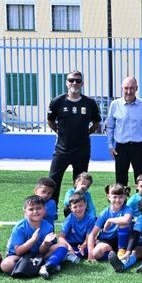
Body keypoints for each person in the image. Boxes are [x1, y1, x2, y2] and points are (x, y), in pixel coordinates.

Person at [47, 70, 101, 202]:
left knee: (80, 184)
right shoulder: (57, 102)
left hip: (81, 151)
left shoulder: (90, 103)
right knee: (52, 182)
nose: (74, 83)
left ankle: (75, 212)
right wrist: (62, 133)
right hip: (61, 150)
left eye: (78, 80)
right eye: (71, 80)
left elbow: (96, 124)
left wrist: (84, 133)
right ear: (66, 83)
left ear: (82, 83)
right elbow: (51, 122)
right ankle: (52, 211)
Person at [105, 77, 142, 187]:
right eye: (126, 88)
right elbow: (110, 126)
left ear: (136, 88)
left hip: (140, 147)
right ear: (122, 89)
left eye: (132, 88)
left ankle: (141, 204)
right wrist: (110, 145)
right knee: (120, 181)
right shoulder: (115, 105)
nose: (129, 91)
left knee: (141, 182)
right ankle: (121, 204)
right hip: (121, 147)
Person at [0, 196, 68, 280]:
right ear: (25, 212)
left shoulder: (48, 227)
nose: (35, 211)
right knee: (6, 265)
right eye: (31, 209)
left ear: (44, 210)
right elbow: (18, 251)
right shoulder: (19, 228)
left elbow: (42, 251)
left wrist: (45, 243)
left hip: (39, 255)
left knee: (63, 246)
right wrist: (32, 240)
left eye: (39, 208)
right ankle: (48, 266)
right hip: (20, 256)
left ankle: (47, 265)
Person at [86, 184, 133, 262]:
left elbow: (126, 220)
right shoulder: (105, 212)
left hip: (123, 241)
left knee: (122, 223)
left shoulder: (127, 209)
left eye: (120, 197)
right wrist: (90, 254)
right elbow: (92, 234)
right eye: (114, 197)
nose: (118, 200)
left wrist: (109, 220)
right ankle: (114, 255)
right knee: (96, 254)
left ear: (125, 197)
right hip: (108, 240)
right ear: (109, 197)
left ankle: (121, 251)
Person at [59, 193, 95, 264]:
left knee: (93, 250)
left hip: (82, 244)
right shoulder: (69, 219)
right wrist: (69, 247)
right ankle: (70, 255)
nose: (78, 209)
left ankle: (71, 256)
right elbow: (61, 237)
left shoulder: (91, 219)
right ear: (70, 208)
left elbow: (89, 237)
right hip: (70, 244)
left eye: (81, 205)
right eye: (75, 207)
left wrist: (83, 245)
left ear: (86, 204)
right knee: (62, 248)